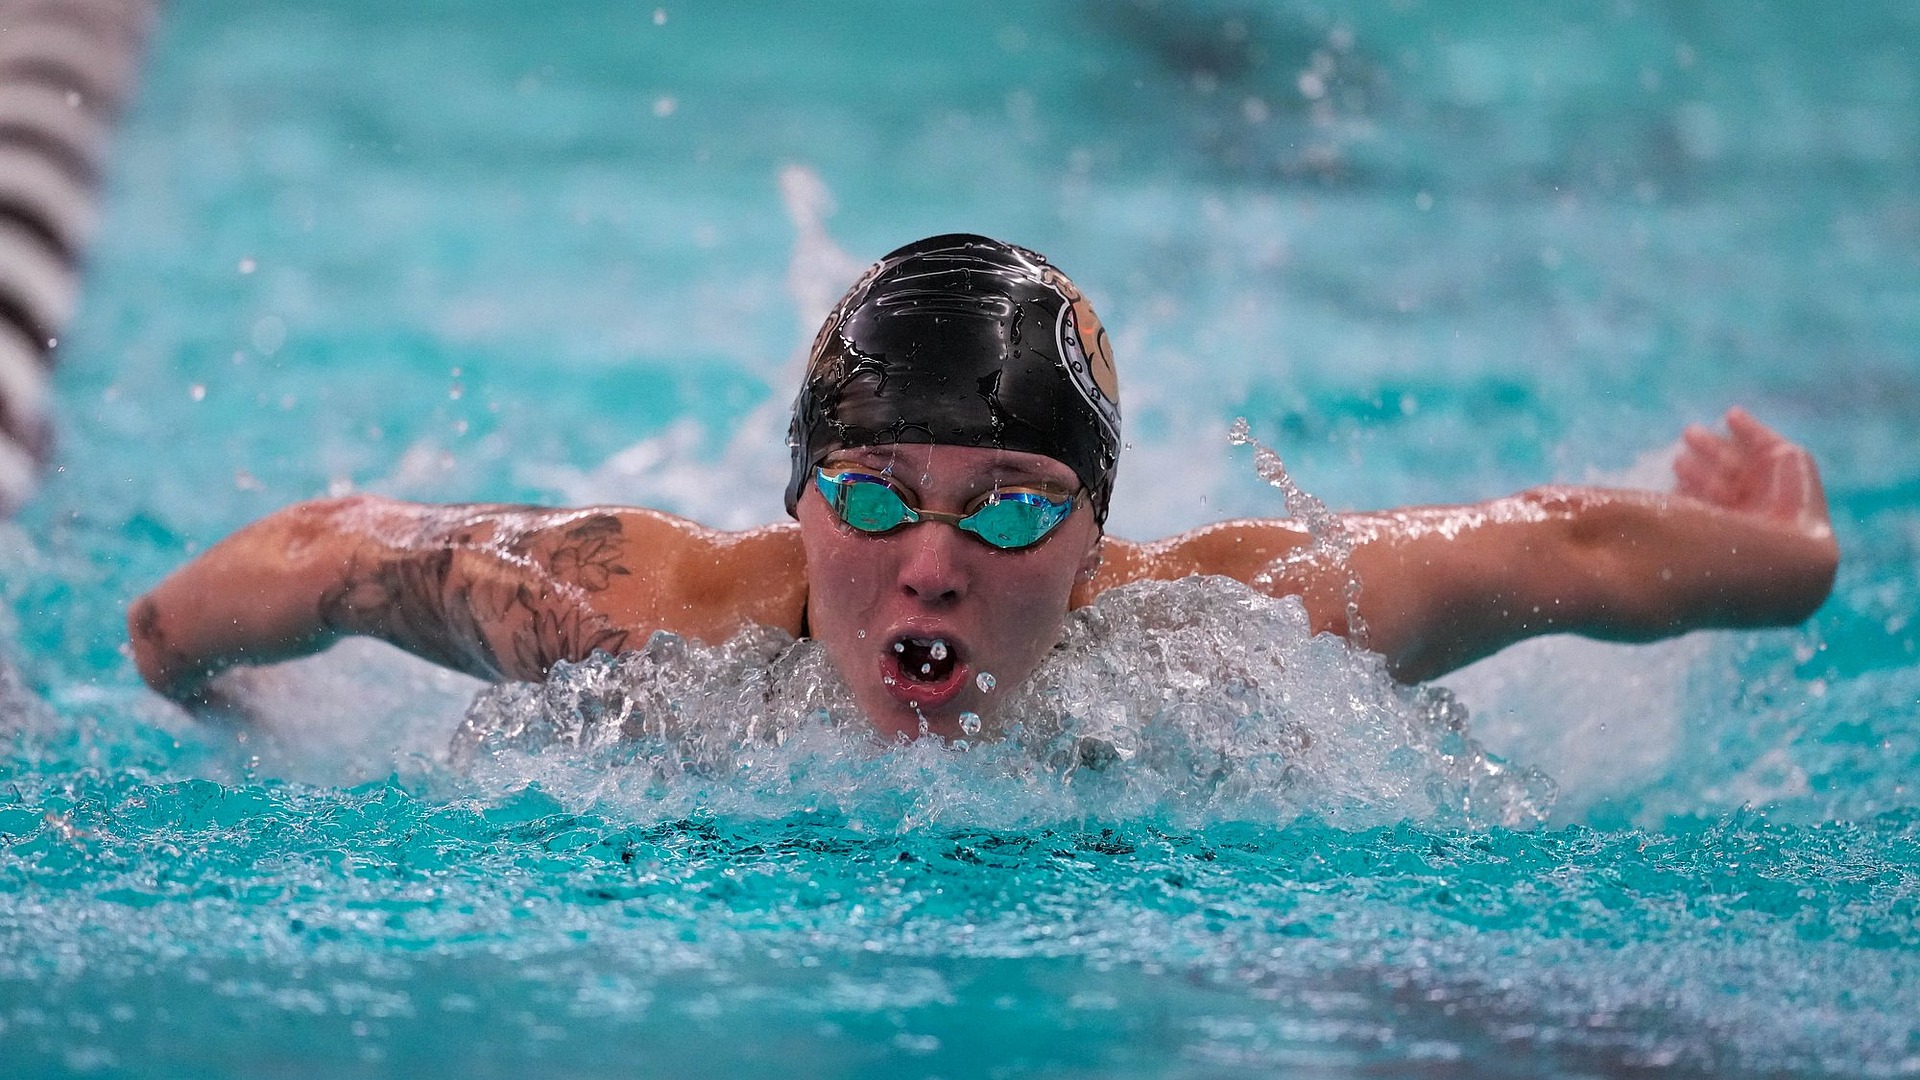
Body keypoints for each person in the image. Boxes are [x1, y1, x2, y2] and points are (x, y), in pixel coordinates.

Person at [127, 234, 1839, 744]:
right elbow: (329, 552)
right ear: (795, 502)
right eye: (874, 498)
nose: (931, 565)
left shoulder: (1226, 635)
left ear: (1098, 543)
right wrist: (174, 658)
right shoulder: (634, 617)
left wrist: (1796, 558)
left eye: (1013, 505)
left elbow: (1562, 546)